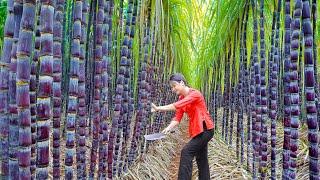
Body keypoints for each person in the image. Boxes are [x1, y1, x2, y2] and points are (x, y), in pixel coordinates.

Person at [151, 73, 214, 180]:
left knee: (186, 152)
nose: (173, 89)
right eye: (171, 87)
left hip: (205, 129)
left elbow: (176, 106)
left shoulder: (195, 94)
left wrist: (158, 108)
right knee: (201, 158)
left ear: (182, 83)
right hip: (198, 130)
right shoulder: (181, 98)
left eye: (174, 85)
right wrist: (168, 128)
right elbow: (177, 118)